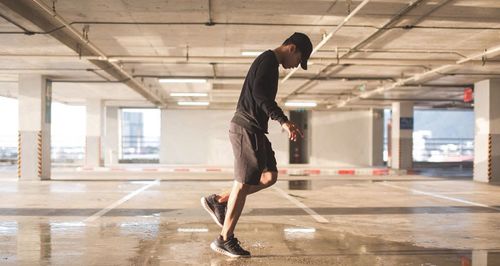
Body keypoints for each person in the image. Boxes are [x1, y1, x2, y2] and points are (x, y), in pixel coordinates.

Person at [201, 32, 313, 258]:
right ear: (292, 48)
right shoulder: (268, 61)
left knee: (269, 176)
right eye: (298, 60)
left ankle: (219, 200)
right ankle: (224, 239)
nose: (295, 66)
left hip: (255, 130)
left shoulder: (270, 63)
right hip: (246, 128)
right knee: (242, 184)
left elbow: (261, 97)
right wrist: (284, 120)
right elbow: (262, 96)